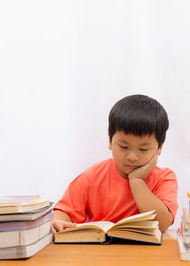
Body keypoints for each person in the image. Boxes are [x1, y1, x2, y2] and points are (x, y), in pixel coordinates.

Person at [51, 94, 178, 235]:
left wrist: (137, 181)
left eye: (143, 149)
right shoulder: (92, 177)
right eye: (123, 146)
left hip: (145, 255)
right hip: (99, 252)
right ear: (110, 142)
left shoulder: (164, 178)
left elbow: (162, 224)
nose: (132, 157)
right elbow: (63, 213)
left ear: (159, 148)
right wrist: (58, 221)